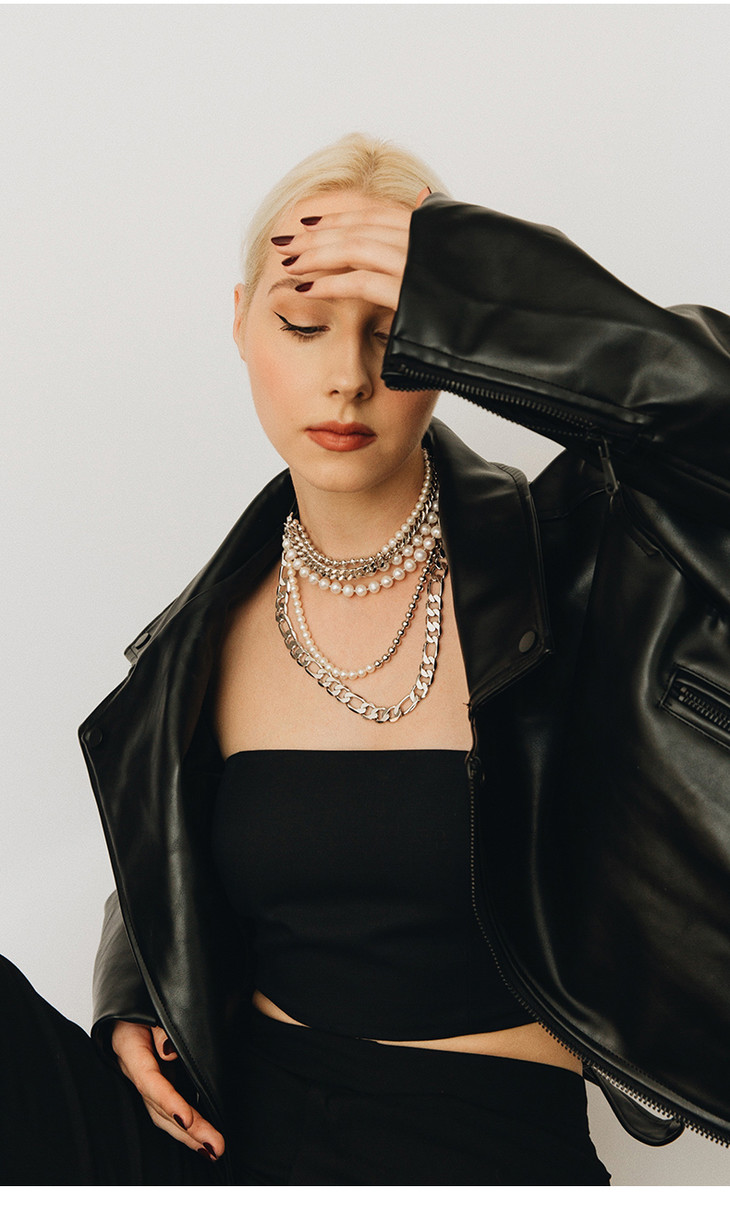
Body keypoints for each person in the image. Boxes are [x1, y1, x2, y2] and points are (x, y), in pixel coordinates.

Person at [3, 132, 730, 1185]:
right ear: (241, 321)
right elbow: (175, 847)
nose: (345, 378)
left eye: (393, 334)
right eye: (302, 325)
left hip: (477, 1152)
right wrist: (135, 988)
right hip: (224, 1143)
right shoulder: (198, 636)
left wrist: (480, 280)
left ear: (453, 347)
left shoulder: (586, 568)